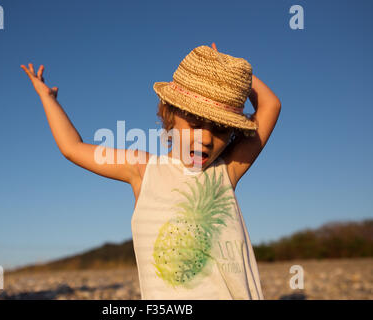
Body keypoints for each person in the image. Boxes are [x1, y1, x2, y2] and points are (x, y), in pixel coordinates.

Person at [21, 43, 281, 299]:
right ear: (169, 115)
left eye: (220, 129)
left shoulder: (226, 171)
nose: (206, 139)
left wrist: (229, 77)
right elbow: (72, 148)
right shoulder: (144, 170)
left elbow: (270, 105)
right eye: (194, 124)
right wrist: (47, 98)